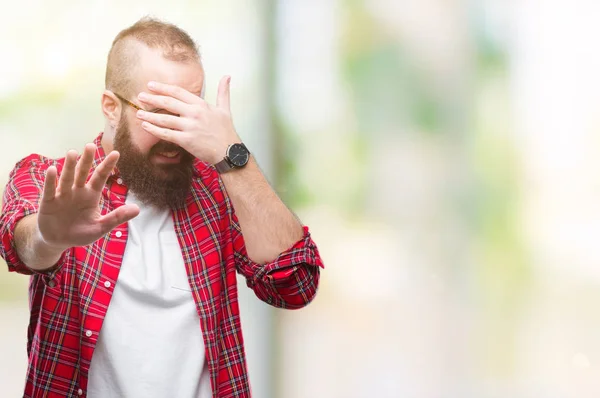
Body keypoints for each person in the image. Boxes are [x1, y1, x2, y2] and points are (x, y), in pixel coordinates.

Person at [0, 17, 323, 398]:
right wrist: (49, 236)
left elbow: (295, 286)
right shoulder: (51, 180)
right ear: (110, 107)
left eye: (187, 112)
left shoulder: (220, 188)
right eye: (159, 113)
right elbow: (22, 245)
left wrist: (233, 155)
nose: (175, 135)